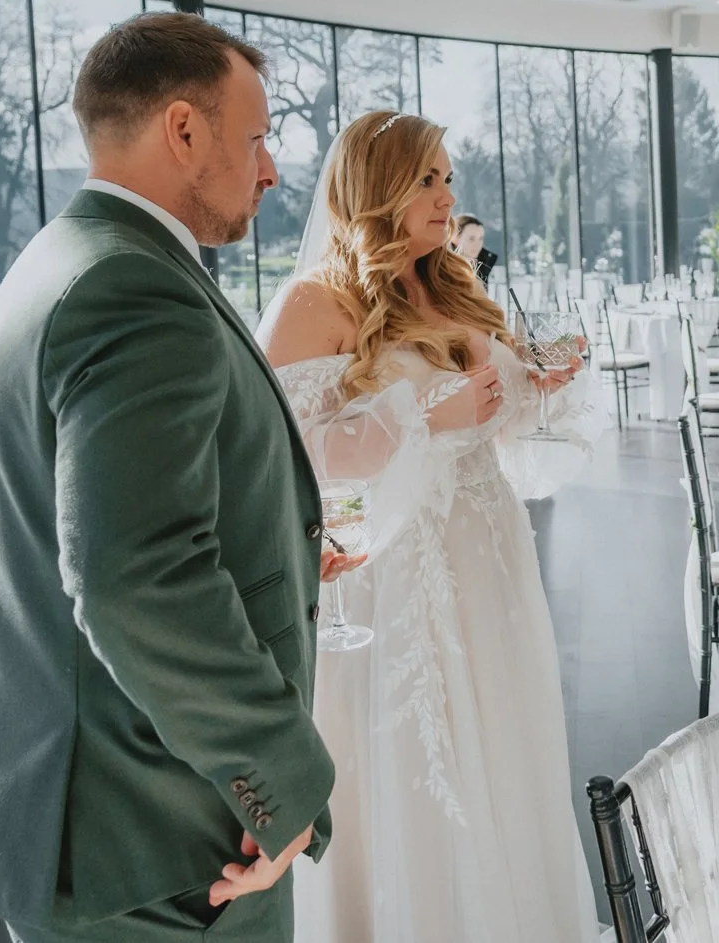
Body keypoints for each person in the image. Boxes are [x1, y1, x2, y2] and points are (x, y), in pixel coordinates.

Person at [0, 12, 359, 943]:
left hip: (85, 822)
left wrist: (282, 547)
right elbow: (135, 575)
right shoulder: (131, 287)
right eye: (255, 138)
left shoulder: (61, 260)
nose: (270, 169)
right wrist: (281, 782)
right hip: (158, 844)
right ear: (183, 129)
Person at [257, 110, 601, 943]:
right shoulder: (316, 302)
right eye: (427, 179)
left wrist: (535, 386)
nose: (448, 197)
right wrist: (420, 415)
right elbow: (283, 451)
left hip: (491, 561)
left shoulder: (449, 284)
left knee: (502, 749)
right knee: (419, 763)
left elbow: (489, 421)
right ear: (378, 190)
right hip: (400, 571)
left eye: (448, 177)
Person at [451, 212, 498, 284]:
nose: (477, 244)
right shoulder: (442, 268)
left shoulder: (484, 263)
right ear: (455, 238)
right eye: (471, 239)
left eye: (481, 238)